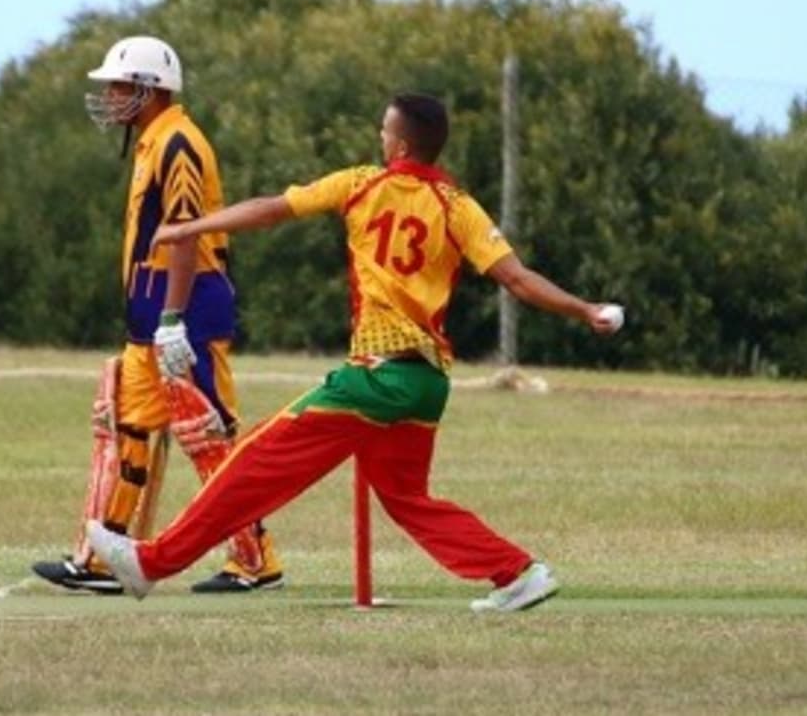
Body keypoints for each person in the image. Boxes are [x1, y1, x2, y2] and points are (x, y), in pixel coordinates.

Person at [85, 93, 624, 612]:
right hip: (426, 383)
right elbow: (519, 280)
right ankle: (519, 573)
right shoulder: (458, 205)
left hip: (374, 377)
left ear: (402, 147)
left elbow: (270, 210)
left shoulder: (360, 184)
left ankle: (149, 563)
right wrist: (586, 310)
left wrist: (192, 226)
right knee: (407, 499)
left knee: (252, 461)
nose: (380, 137)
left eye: (386, 131)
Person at [31, 36, 286, 595]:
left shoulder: (179, 144)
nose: (110, 95)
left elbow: (187, 234)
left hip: (187, 308)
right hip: (151, 312)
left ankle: (256, 559)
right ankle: (102, 558)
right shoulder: (151, 142)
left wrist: (173, 318)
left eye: (119, 85)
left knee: (208, 433)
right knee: (129, 430)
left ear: (149, 89)